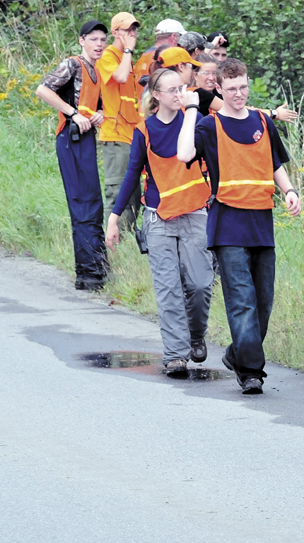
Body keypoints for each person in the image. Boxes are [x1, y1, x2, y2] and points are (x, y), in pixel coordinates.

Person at [176, 58, 301, 394]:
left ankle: (237, 352)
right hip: (228, 223)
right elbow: (184, 154)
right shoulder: (209, 125)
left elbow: (274, 163)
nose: (239, 94)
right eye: (231, 89)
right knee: (242, 300)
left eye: (243, 87)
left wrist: (288, 190)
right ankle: (250, 372)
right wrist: (190, 111)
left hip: (261, 221)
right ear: (218, 88)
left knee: (263, 302)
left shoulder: (263, 121)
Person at [106, 67, 214, 375]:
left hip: (195, 213)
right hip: (158, 217)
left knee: (199, 285)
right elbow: (131, 174)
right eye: (173, 90)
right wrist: (114, 218)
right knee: (168, 289)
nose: (180, 94)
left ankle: (195, 336)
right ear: (157, 96)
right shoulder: (145, 129)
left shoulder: (195, 121)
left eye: (182, 88)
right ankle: (175, 354)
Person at [35, 20, 109, 291]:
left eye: (103, 39)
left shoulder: (96, 71)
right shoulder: (73, 64)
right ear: (82, 40)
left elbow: (94, 106)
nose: (99, 44)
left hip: (86, 139)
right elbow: (43, 90)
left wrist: (97, 114)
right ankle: (89, 274)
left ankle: (97, 269)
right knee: (83, 204)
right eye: (93, 39)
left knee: (93, 202)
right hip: (70, 138)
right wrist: (73, 113)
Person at [96, 11, 143, 231]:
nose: (132, 34)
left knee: (134, 194)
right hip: (115, 135)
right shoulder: (108, 56)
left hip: (130, 134)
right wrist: (128, 50)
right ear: (116, 32)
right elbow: (121, 77)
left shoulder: (127, 57)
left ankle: (124, 246)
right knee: (117, 195)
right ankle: (111, 252)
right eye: (127, 30)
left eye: (134, 29)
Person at [132, 19, 186, 101]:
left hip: (142, 109)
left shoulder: (144, 58)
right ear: (174, 37)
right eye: (181, 37)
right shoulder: (164, 59)